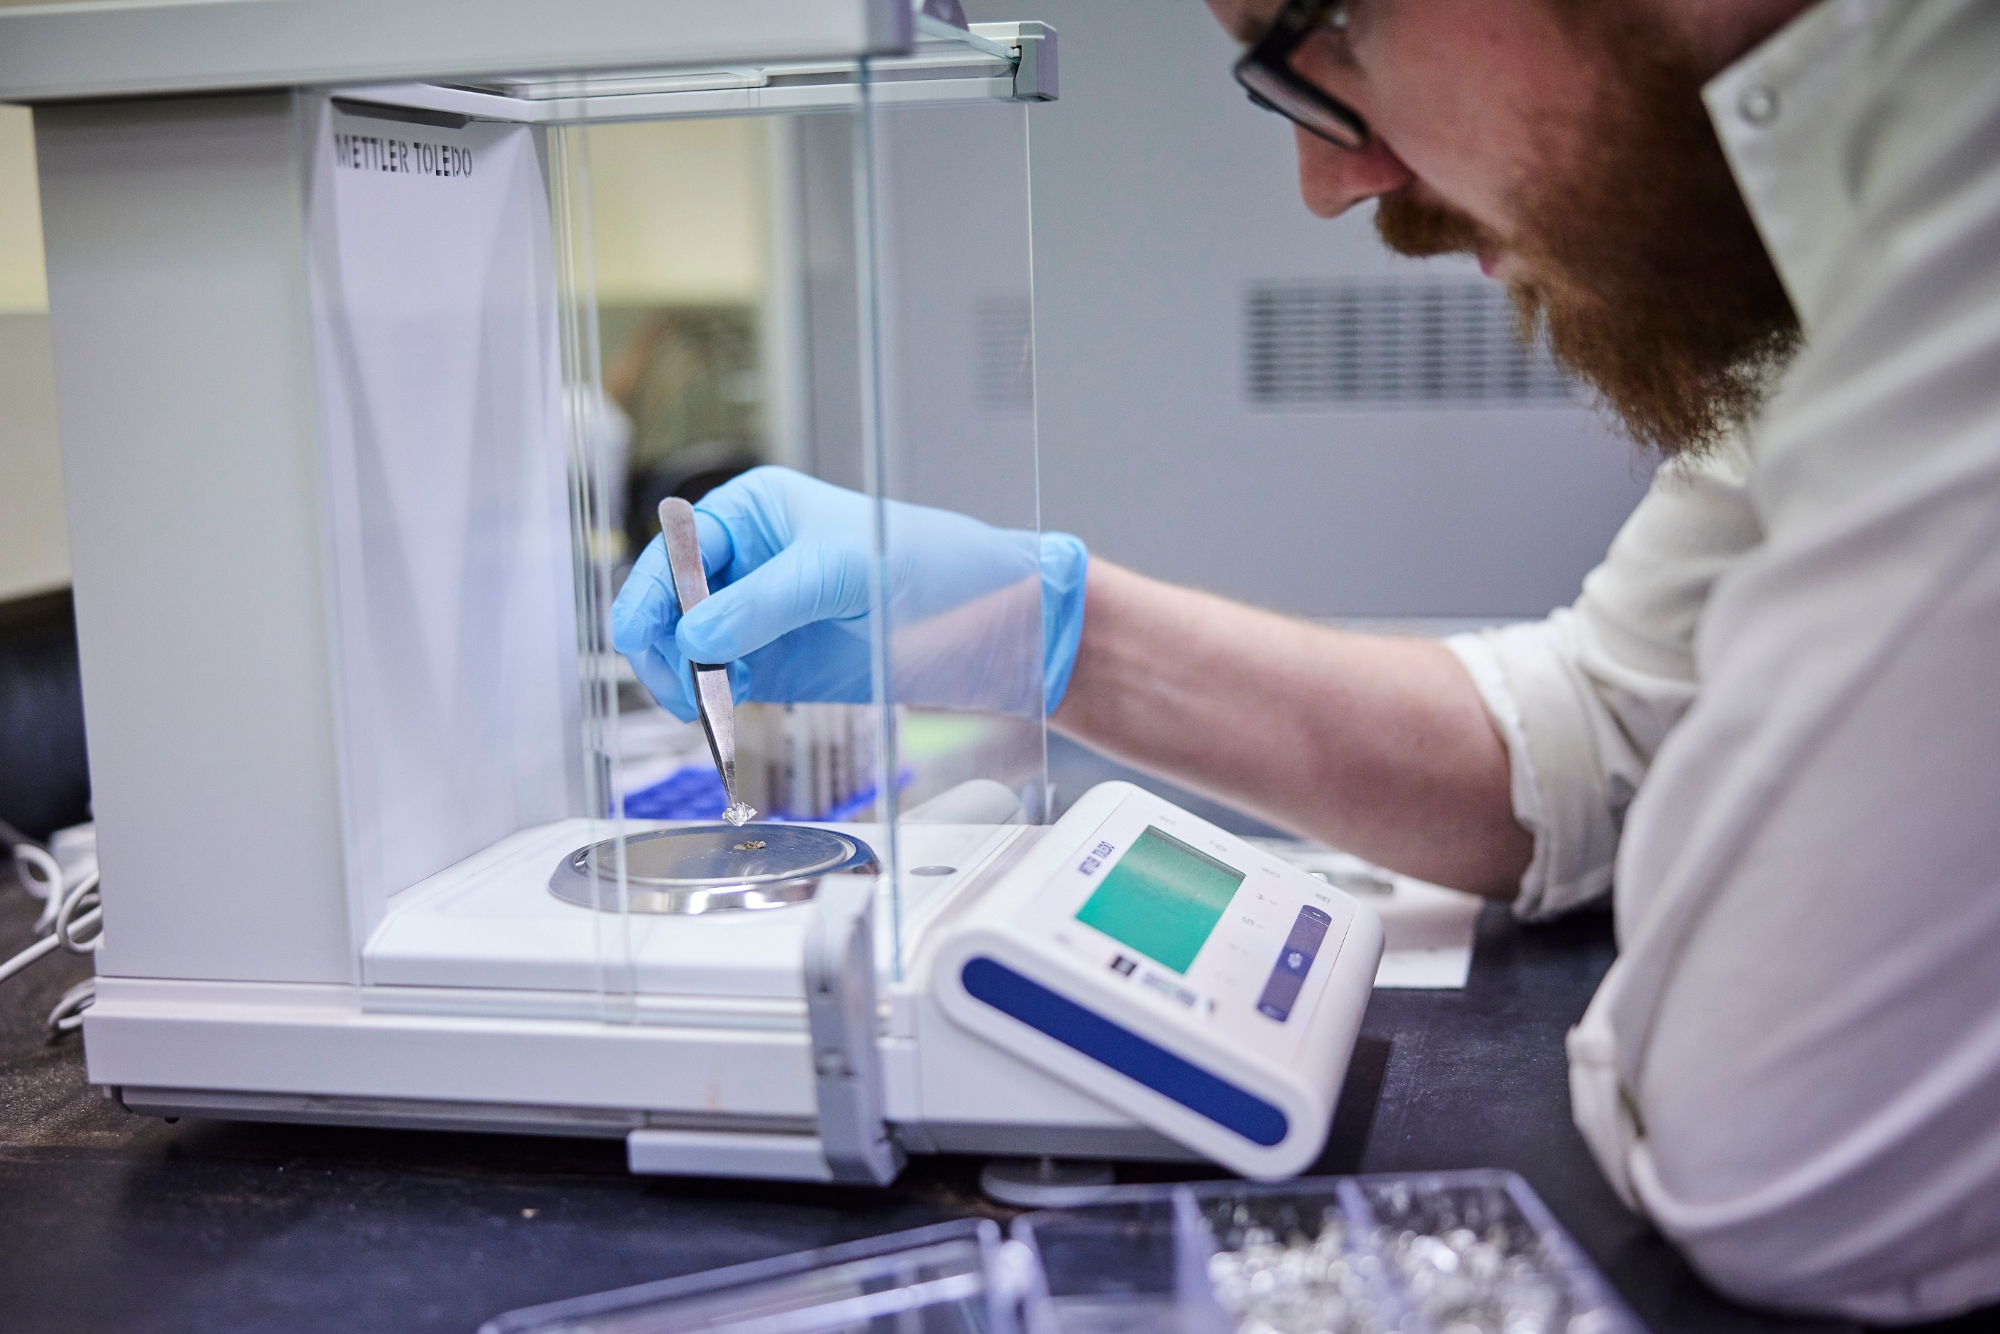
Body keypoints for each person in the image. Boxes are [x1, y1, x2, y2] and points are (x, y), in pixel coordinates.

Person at [613, 0, 2000, 1319]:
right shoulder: (1836, 238)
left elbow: (1773, 1152)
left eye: (1304, 35)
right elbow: (1582, 735)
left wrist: (1641, 1025)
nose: (1329, 183)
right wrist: (1036, 626)